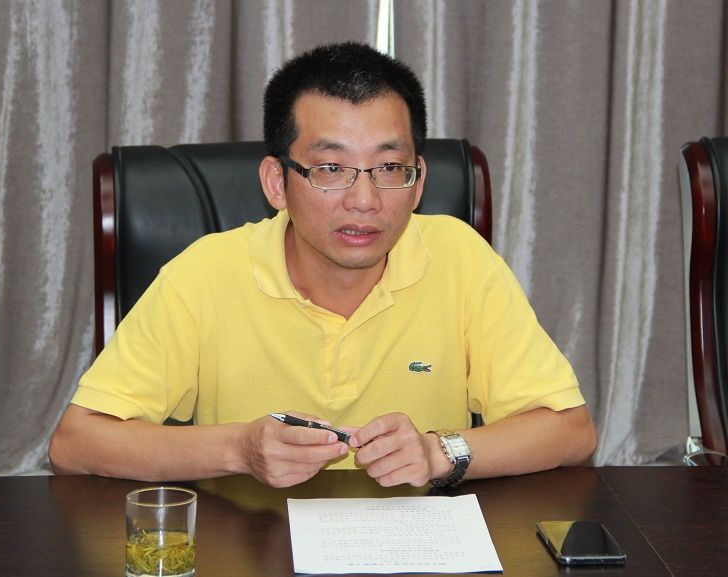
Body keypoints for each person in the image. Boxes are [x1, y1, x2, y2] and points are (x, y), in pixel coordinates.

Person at [49, 41, 597, 488]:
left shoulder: (459, 258)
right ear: (276, 182)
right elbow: (76, 442)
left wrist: (440, 452)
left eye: (390, 168)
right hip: (246, 547)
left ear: (418, 182)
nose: (364, 200)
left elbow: (571, 431)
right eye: (331, 168)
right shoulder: (206, 273)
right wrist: (239, 449)